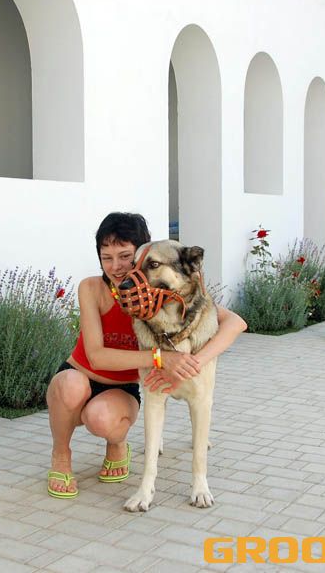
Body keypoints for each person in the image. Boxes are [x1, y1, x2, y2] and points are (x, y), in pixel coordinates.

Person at [46, 212, 248, 498]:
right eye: (106, 257)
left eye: (125, 257)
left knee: (101, 418)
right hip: (81, 374)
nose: (116, 266)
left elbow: (235, 322)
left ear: (141, 255)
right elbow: (97, 357)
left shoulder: (160, 296)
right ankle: (60, 456)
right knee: (70, 385)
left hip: (120, 390)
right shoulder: (91, 288)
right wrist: (160, 358)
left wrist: (193, 365)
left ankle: (117, 446)